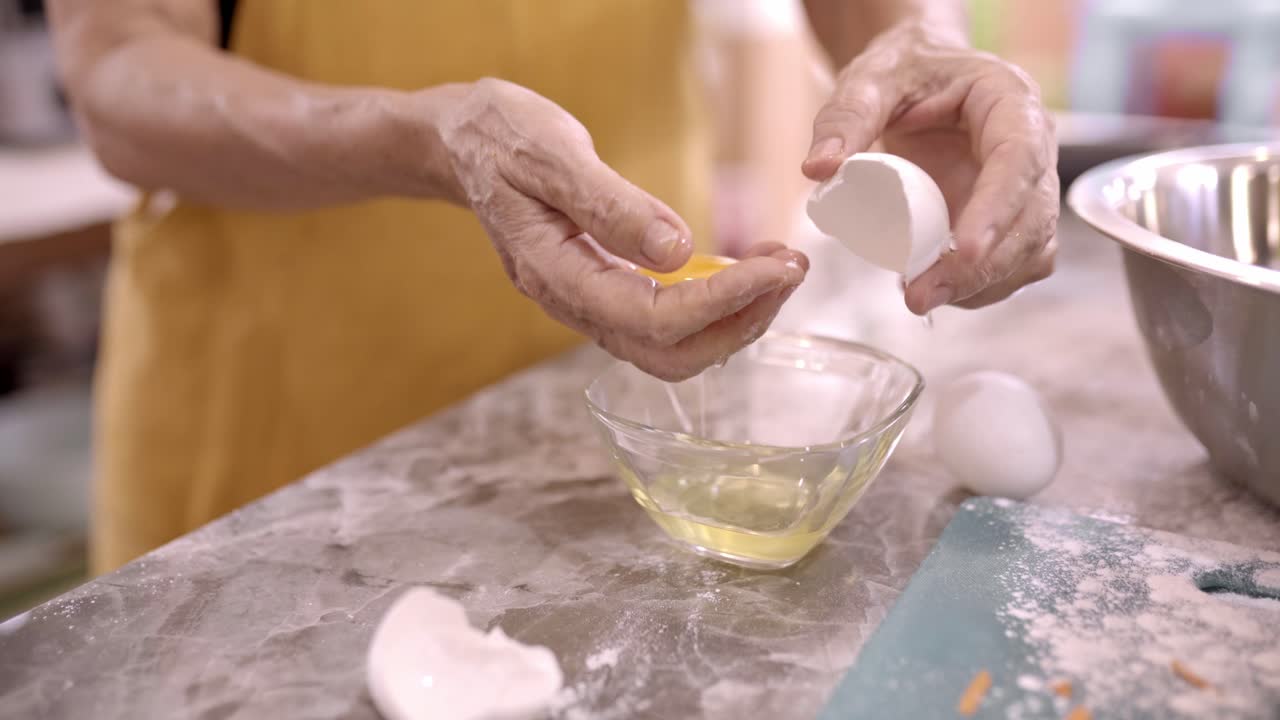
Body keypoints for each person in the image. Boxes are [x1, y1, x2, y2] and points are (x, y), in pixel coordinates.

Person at [47, 0, 1057, 573]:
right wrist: (427, 138)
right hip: (278, 450)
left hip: (629, 416)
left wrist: (917, 40)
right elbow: (120, 76)